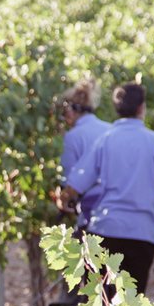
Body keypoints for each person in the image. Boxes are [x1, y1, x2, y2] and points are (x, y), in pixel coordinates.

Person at [59, 83, 154, 294]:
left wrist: (63, 199)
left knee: (102, 303)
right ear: (141, 108)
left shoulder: (105, 141)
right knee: (131, 304)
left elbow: (76, 183)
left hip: (106, 231)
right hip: (142, 235)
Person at [57, 79, 111, 231]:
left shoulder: (73, 137)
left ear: (70, 111)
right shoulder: (111, 130)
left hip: (93, 210)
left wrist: (63, 199)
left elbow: (69, 180)